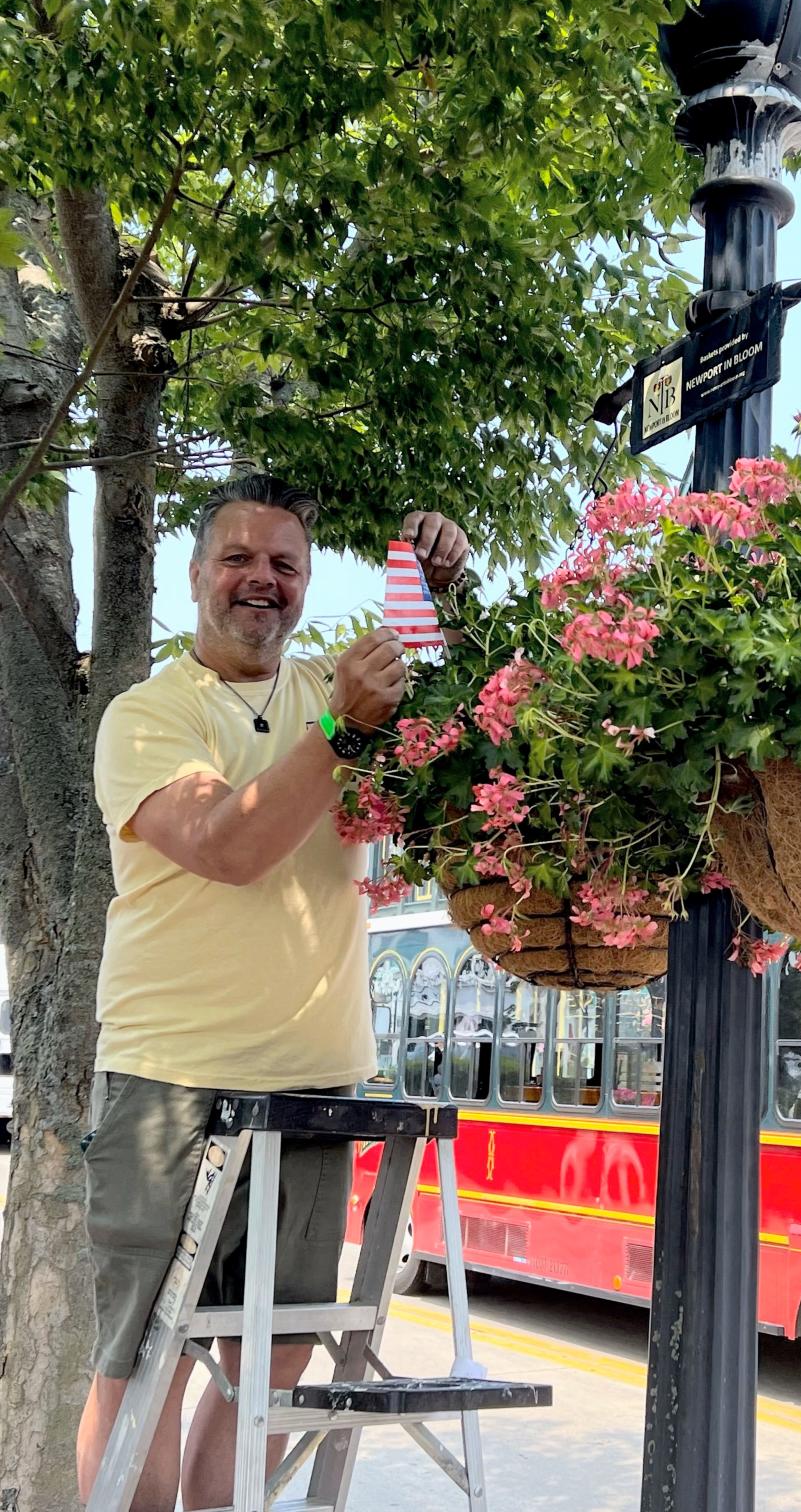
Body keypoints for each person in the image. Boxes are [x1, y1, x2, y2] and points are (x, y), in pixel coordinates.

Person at [77, 474, 469, 1512]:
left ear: (303, 586)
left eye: (285, 564)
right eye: (240, 559)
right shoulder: (149, 714)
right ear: (197, 575)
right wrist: (340, 730)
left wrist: (445, 597)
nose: (263, 580)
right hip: (169, 1083)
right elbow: (228, 843)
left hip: (316, 1086)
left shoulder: (330, 702)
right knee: (144, 1365)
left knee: (277, 1360)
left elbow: (465, 750)